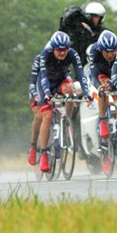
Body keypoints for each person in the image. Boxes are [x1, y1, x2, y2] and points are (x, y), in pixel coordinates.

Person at [36, 31, 91, 172]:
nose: (62, 53)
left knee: (70, 88)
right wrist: (47, 94)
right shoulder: (46, 54)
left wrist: (86, 93)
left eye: (65, 49)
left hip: (61, 81)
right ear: (53, 48)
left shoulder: (72, 54)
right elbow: (43, 77)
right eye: (59, 50)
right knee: (47, 116)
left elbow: (81, 75)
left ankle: (67, 120)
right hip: (46, 83)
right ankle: (43, 153)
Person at [88, 30, 117, 140]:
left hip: (115, 73)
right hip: (101, 74)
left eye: (112, 51)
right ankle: (102, 119)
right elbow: (93, 74)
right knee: (103, 88)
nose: (110, 54)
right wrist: (99, 87)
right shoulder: (94, 50)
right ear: (101, 49)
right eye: (106, 51)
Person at [27, 53, 43, 166]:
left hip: (53, 91)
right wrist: (36, 96)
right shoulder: (39, 60)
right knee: (39, 116)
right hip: (37, 92)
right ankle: (33, 146)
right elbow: (32, 83)